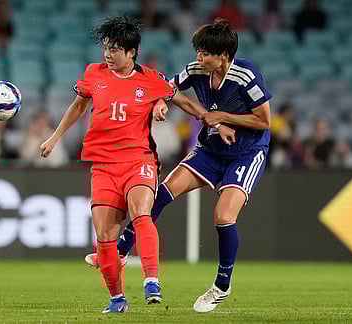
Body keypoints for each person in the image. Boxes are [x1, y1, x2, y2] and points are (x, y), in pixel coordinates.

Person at [39, 16, 226, 314]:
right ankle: (117, 300)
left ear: (131, 52)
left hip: (138, 160)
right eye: (105, 48)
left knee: (141, 210)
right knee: (104, 236)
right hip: (102, 165)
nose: (108, 55)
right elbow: (77, 108)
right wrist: (54, 139)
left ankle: (151, 280)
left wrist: (213, 120)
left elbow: (184, 103)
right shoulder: (93, 74)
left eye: (114, 50)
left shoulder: (151, 79)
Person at [85, 18, 272, 313]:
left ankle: (222, 285)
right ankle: (120, 251)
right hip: (211, 149)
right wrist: (160, 103)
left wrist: (221, 116)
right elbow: (164, 88)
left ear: (223, 56)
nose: (198, 58)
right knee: (161, 192)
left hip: (246, 153)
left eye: (205, 53)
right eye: (198, 51)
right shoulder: (196, 70)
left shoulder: (246, 76)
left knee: (223, 215)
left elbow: (264, 120)